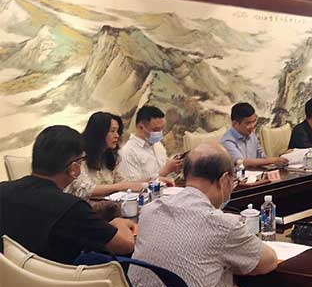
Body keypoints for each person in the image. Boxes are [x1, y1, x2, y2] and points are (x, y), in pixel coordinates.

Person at [128, 143, 280, 287]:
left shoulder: (150, 211)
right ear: (224, 180)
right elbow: (269, 261)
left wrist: (230, 283)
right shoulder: (221, 224)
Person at [0, 125, 136, 264]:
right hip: (60, 275)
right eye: (82, 160)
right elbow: (125, 245)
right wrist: (119, 223)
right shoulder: (71, 207)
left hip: (12, 273)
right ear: (74, 168)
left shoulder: (3, 190)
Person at [65, 112, 172, 199]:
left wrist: (154, 180)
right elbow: (84, 189)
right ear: (99, 133)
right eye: (112, 131)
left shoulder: (110, 157)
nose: (116, 135)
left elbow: (126, 184)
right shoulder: (80, 157)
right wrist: (120, 186)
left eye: (117, 131)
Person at [118, 105, 182, 182]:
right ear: (141, 127)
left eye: (162, 129)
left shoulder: (157, 145)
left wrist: (174, 167)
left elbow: (166, 172)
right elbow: (133, 185)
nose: (160, 133)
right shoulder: (128, 152)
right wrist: (165, 171)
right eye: (156, 130)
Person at [221, 103, 289, 168]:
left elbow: (262, 157)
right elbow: (241, 163)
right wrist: (272, 160)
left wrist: (280, 157)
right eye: (248, 123)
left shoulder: (251, 135)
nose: (252, 126)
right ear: (235, 123)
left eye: (254, 122)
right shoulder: (227, 141)